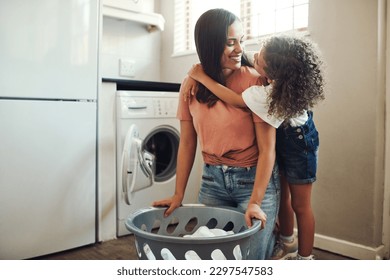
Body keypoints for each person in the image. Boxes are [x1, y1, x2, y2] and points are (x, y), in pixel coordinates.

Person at [152, 8, 280, 260]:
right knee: (215, 258)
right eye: (230, 42)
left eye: (241, 41)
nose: (239, 49)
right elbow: (188, 142)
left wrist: (255, 200)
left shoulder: (254, 81)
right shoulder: (190, 85)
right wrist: (178, 194)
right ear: (210, 45)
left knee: (251, 261)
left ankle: (272, 243)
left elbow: (268, 149)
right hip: (212, 181)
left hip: (252, 181)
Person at [186, 34, 325, 260]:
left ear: (269, 73)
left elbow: (234, 99)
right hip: (282, 137)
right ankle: (287, 241)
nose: (254, 55)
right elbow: (225, 57)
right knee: (283, 196)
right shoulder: (273, 68)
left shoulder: (265, 93)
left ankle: (305, 258)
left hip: (300, 144)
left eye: (259, 58)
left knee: (301, 205)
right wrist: (197, 70)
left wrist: (201, 77)